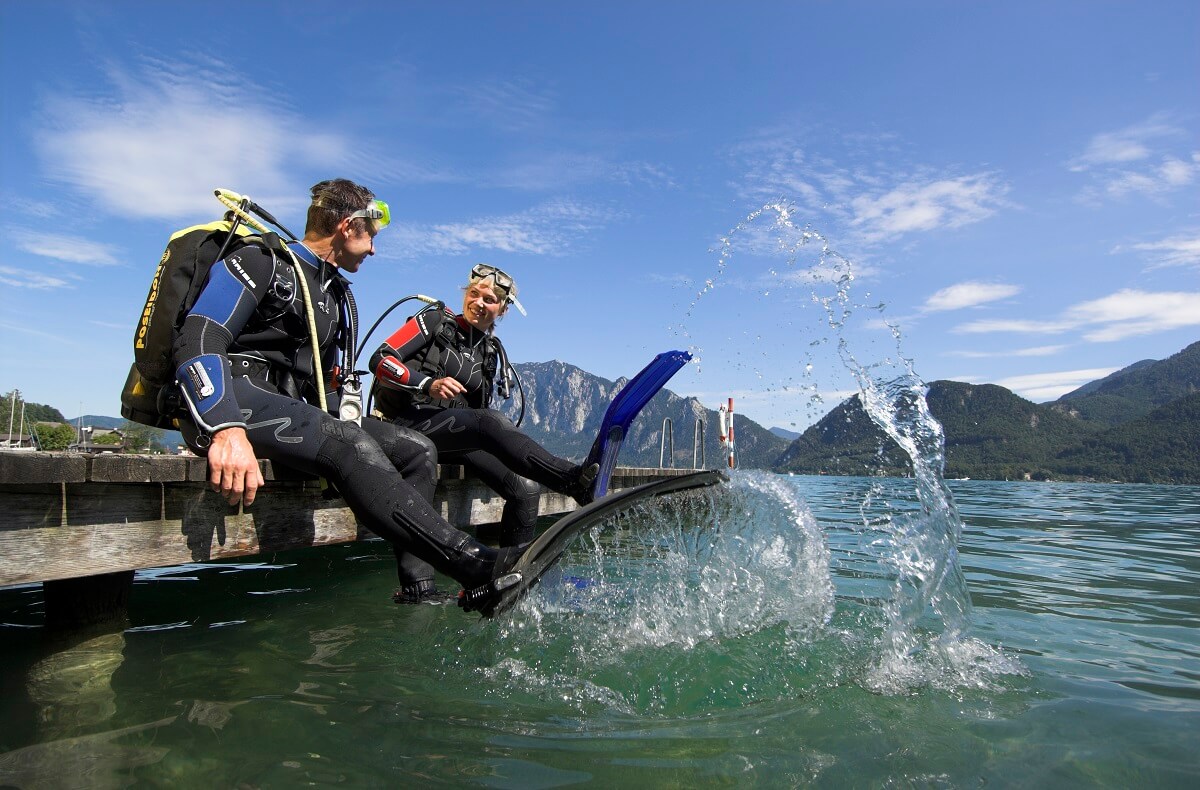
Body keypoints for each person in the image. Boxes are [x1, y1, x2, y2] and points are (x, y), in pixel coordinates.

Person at [171, 178, 528, 609]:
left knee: (416, 450)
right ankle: (473, 563)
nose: (374, 250)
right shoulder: (260, 261)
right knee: (349, 443)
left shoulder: (331, 291)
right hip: (233, 397)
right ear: (347, 227)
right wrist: (226, 429)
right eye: (371, 238)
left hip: (293, 406)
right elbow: (197, 339)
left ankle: (418, 588)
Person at [369, 264, 597, 602]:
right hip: (402, 421)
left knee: (525, 488)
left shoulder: (490, 353)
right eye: (473, 294)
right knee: (488, 421)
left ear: (502, 310)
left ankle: (511, 576)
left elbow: (476, 416)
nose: (478, 302)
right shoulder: (434, 322)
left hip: (447, 434)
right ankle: (570, 480)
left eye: (489, 299)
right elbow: (381, 358)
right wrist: (427, 383)